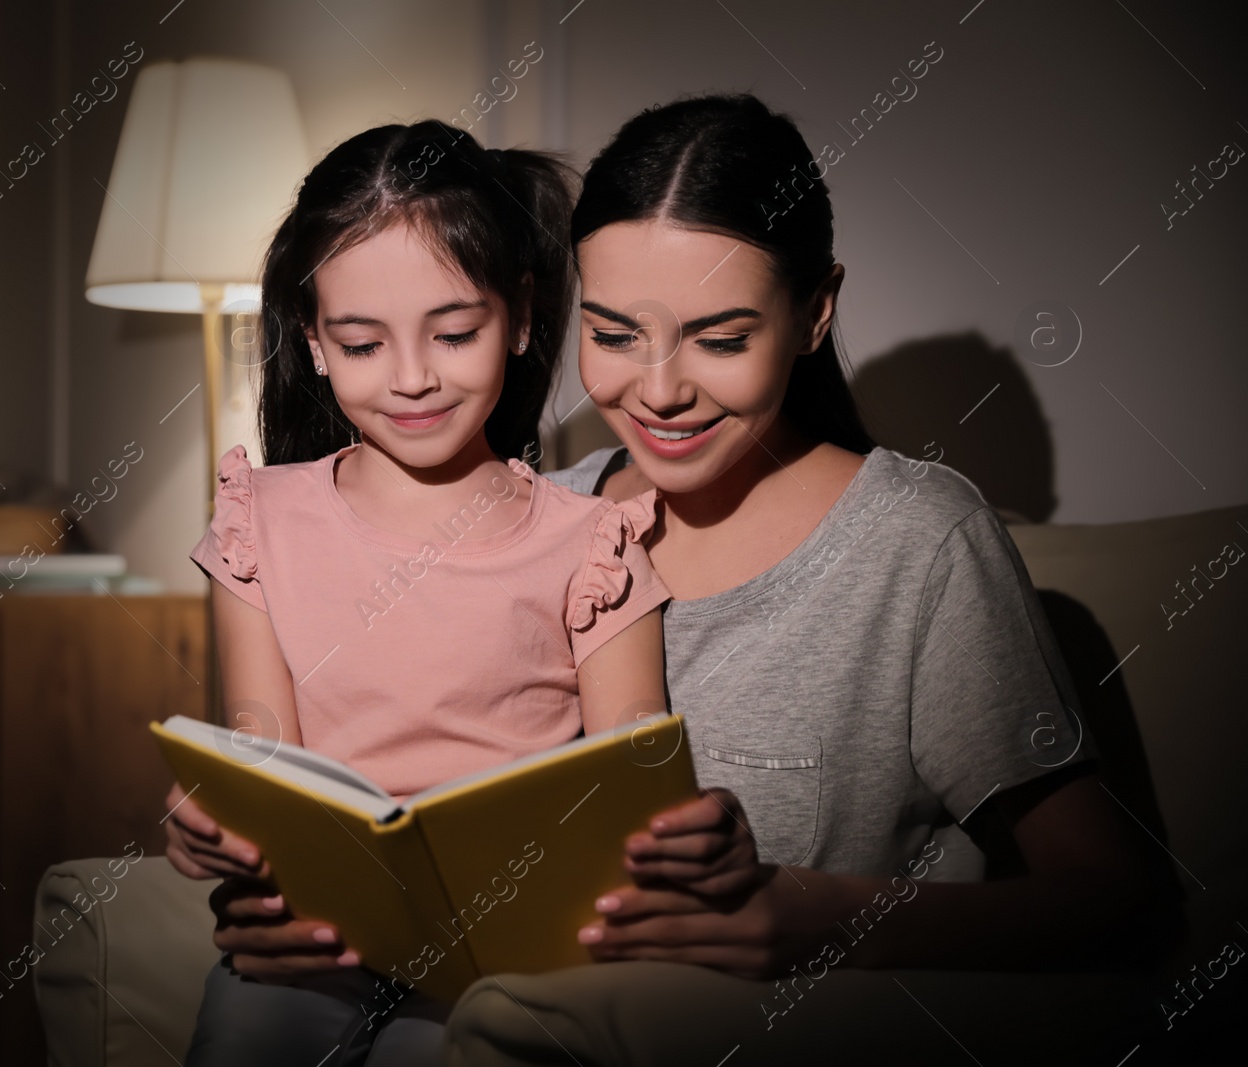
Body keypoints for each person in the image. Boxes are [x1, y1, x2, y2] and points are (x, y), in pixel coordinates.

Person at [176, 95, 1177, 1065]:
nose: (656, 390)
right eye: (612, 334)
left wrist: (826, 917)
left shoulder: (918, 542)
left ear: (813, 311)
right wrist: (278, 898)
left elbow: (1115, 899)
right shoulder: (553, 515)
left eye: (720, 336)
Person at [166, 120, 677, 1067]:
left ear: (521, 318)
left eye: (453, 333)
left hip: (502, 947)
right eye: (362, 344)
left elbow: (628, 789)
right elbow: (261, 745)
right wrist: (217, 814)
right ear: (314, 343)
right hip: (312, 934)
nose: (411, 378)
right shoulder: (260, 518)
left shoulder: (590, 540)